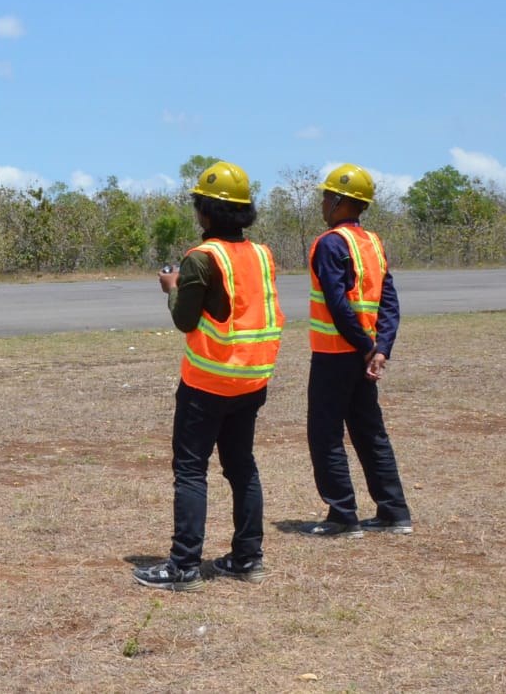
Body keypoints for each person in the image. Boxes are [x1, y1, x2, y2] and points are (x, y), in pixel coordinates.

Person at [134, 161, 285, 591]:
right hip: (252, 380)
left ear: (205, 211)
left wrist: (171, 288)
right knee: (241, 467)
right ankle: (247, 557)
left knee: (190, 470)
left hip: (207, 384)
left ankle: (183, 565)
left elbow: (186, 320)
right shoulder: (262, 254)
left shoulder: (201, 258)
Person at [302, 164, 412, 537]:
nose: (322, 202)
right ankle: (394, 512)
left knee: (326, 433)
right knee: (370, 431)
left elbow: (337, 303)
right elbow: (389, 301)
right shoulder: (372, 243)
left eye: (325, 196)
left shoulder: (330, 243)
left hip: (336, 354)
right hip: (363, 355)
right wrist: (381, 347)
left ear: (337, 202)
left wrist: (368, 348)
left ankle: (342, 515)